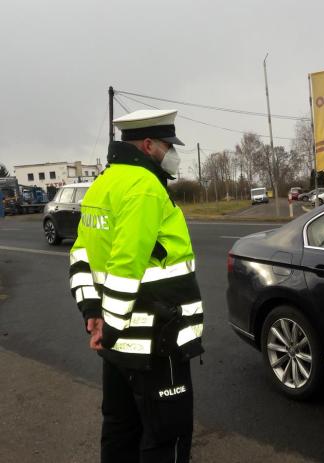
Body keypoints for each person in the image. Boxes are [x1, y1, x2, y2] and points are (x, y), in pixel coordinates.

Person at [68, 109, 204, 463]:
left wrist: (93, 315)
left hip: (116, 348)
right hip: (158, 342)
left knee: (120, 431)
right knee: (166, 437)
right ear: (148, 145)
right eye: (167, 144)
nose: (172, 152)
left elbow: (81, 255)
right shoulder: (144, 188)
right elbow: (126, 266)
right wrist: (108, 328)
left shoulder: (103, 184)